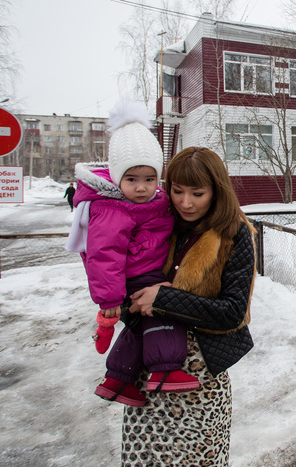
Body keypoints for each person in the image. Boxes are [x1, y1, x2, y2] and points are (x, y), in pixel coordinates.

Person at [121, 146, 257, 467]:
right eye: (178, 190)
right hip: (148, 376)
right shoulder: (160, 225)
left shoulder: (235, 235)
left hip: (201, 382)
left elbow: (233, 313)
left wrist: (165, 299)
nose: (185, 202)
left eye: (197, 193)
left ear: (217, 190)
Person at [66, 100, 199, 409]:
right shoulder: (111, 209)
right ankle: (166, 370)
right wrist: (110, 300)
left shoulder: (154, 200)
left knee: (138, 329)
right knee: (164, 312)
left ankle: (118, 380)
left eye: (149, 179)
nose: (141, 188)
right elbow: (102, 257)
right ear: (116, 178)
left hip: (146, 268)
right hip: (137, 276)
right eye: (132, 180)